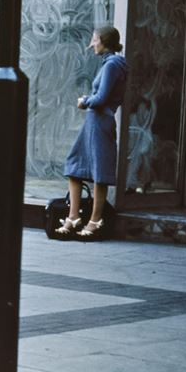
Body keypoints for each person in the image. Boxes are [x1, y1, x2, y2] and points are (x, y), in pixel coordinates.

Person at [56, 25, 129, 239]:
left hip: (99, 121)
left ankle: (95, 220)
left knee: (99, 172)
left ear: (103, 41)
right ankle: (73, 217)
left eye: (94, 40)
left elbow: (101, 98)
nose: (92, 44)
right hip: (95, 121)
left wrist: (84, 101)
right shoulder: (112, 63)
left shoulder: (112, 65)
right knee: (75, 166)